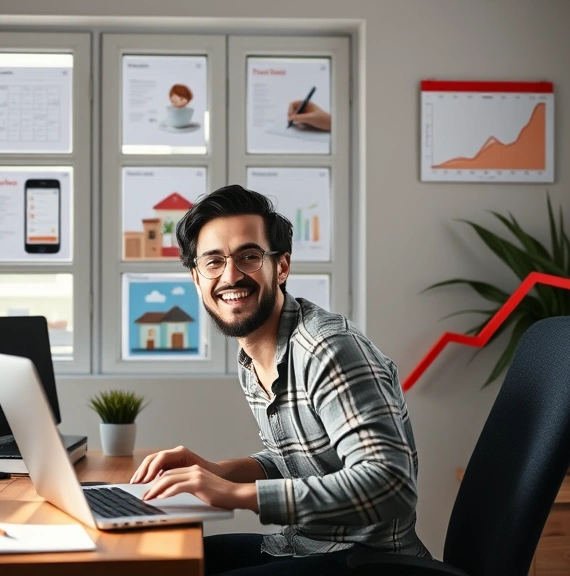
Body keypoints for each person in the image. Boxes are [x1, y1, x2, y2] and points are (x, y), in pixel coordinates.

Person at [130, 185, 430, 575]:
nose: (231, 275)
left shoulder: (329, 349)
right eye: (213, 262)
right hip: (305, 547)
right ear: (196, 278)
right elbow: (302, 459)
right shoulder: (253, 354)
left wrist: (239, 495)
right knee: (165, 563)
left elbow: (391, 485)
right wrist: (217, 471)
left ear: (282, 267)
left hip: (370, 560)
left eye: (249, 257)